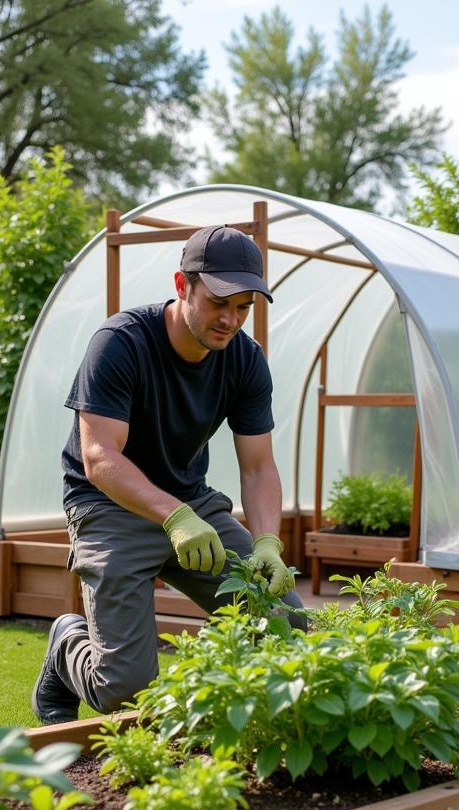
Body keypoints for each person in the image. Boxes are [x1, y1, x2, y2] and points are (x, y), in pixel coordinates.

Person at [32, 224, 305, 725]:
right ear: (183, 286)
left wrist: (268, 543)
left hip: (192, 505)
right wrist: (173, 516)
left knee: (293, 627)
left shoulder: (244, 361)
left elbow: (260, 466)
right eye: (219, 302)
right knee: (127, 692)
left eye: (244, 307)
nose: (231, 319)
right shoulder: (120, 343)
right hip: (107, 504)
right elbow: (100, 458)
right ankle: (65, 643)